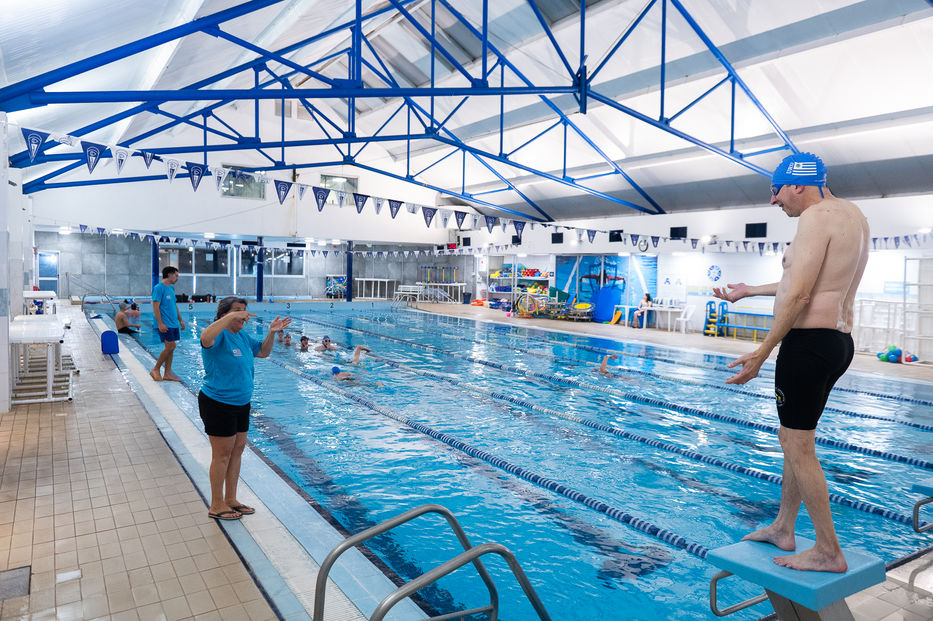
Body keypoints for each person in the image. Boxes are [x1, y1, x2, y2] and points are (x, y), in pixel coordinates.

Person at [712, 152, 869, 573]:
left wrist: (763, 352)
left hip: (808, 345)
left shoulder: (814, 218)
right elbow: (811, 281)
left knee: (797, 444)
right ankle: (784, 526)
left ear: (797, 184)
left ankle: (827, 550)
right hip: (836, 342)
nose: (774, 202)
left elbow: (799, 296)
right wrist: (750, 290)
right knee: (794, 437)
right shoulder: (852, 216)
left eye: (777, 192)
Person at [199, 296, 291, 520]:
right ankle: (216, 504)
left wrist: (271, 333)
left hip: (241, 404)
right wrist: (230, 316)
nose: (245, 315)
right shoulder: (217, 336)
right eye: (238, 311)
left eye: (245, 311)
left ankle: (231, 499)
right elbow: (204, 337)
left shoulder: (242, 336)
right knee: (221, 455)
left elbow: (264, 352)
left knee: (236, 452)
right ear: (224, 315)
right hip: (218, 403)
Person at [151, 266, 186, 382]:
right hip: (165, 323)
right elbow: (155, 307)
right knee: (171, 346)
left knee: (171, 348)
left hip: (173, 323)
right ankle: (155, 369)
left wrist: (180, 320)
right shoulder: (158, 288)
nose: (177, 278)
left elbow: (174, 305)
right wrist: (160, 323)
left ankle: (167, 374)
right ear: (169, 275)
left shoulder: (171, 288)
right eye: (176, 275)